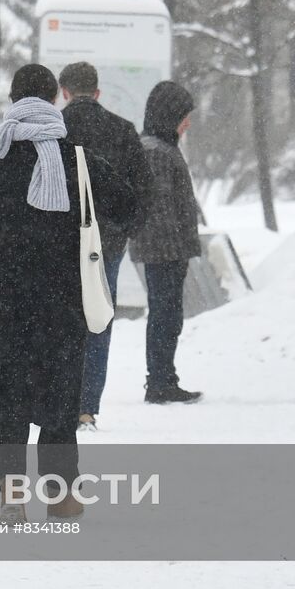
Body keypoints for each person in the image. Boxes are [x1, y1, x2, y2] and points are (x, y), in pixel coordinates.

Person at [0, 65, 133, 522]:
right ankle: (60, 495)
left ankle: (12, 497)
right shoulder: (75, 157)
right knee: (62, 393)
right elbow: (127, 203)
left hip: (8, 293)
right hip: (63, 294)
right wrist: (90, 235)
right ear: (54, 99)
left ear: (13, 100)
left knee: (11, 396)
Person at [59, 61, 149, 429]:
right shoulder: (123, 130)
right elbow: (142, 190)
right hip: (106, 245)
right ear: (97, 93)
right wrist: (124, 230)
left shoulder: (54, 129)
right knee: (98, 320)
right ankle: (87, 407)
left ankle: (59, 401)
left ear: (64, 92)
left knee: (60, 323)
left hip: (60, 243)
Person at [130, 81, 204, 404]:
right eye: (184, 116)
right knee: (165, 315)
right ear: (169, 115)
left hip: (167, 249)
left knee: (167, 314)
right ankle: (160, 381)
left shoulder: (160, 147)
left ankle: (163, 378)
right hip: (164, 251)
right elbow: (159, 208)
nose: (187, 122)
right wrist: (176, 250)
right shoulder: (156, 152)